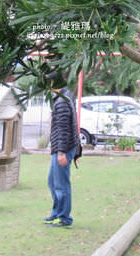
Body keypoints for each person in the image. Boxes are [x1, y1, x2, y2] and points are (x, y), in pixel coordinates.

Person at [45, 85, 78, 227]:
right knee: (52, 181)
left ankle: (64, 217)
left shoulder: (62, 102)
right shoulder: (61, 98)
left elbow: (63, 129)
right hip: (59, 148)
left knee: (61, 184)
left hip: (63, 148)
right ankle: (56, 213)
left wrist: (61, 152)